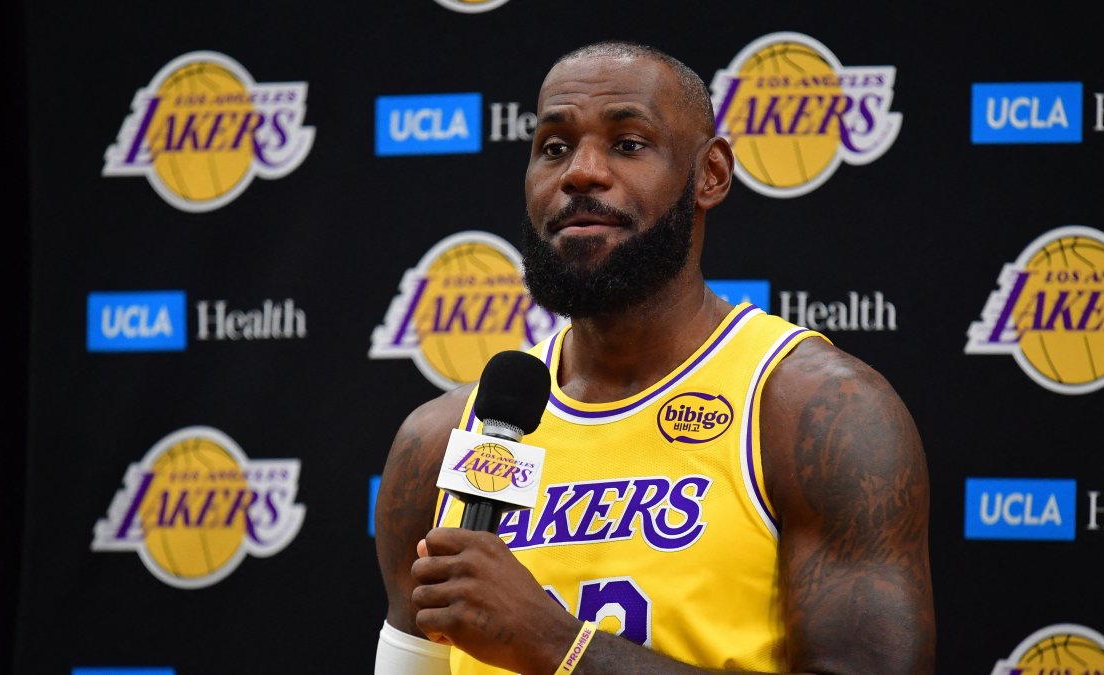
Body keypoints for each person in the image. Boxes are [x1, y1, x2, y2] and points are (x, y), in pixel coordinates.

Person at [375, 40, 935, 675]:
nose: (580, 172)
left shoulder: (815, 411)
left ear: (711, 175)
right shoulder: (438, 441)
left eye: (628, 143)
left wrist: (563, 648)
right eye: (554, 148)